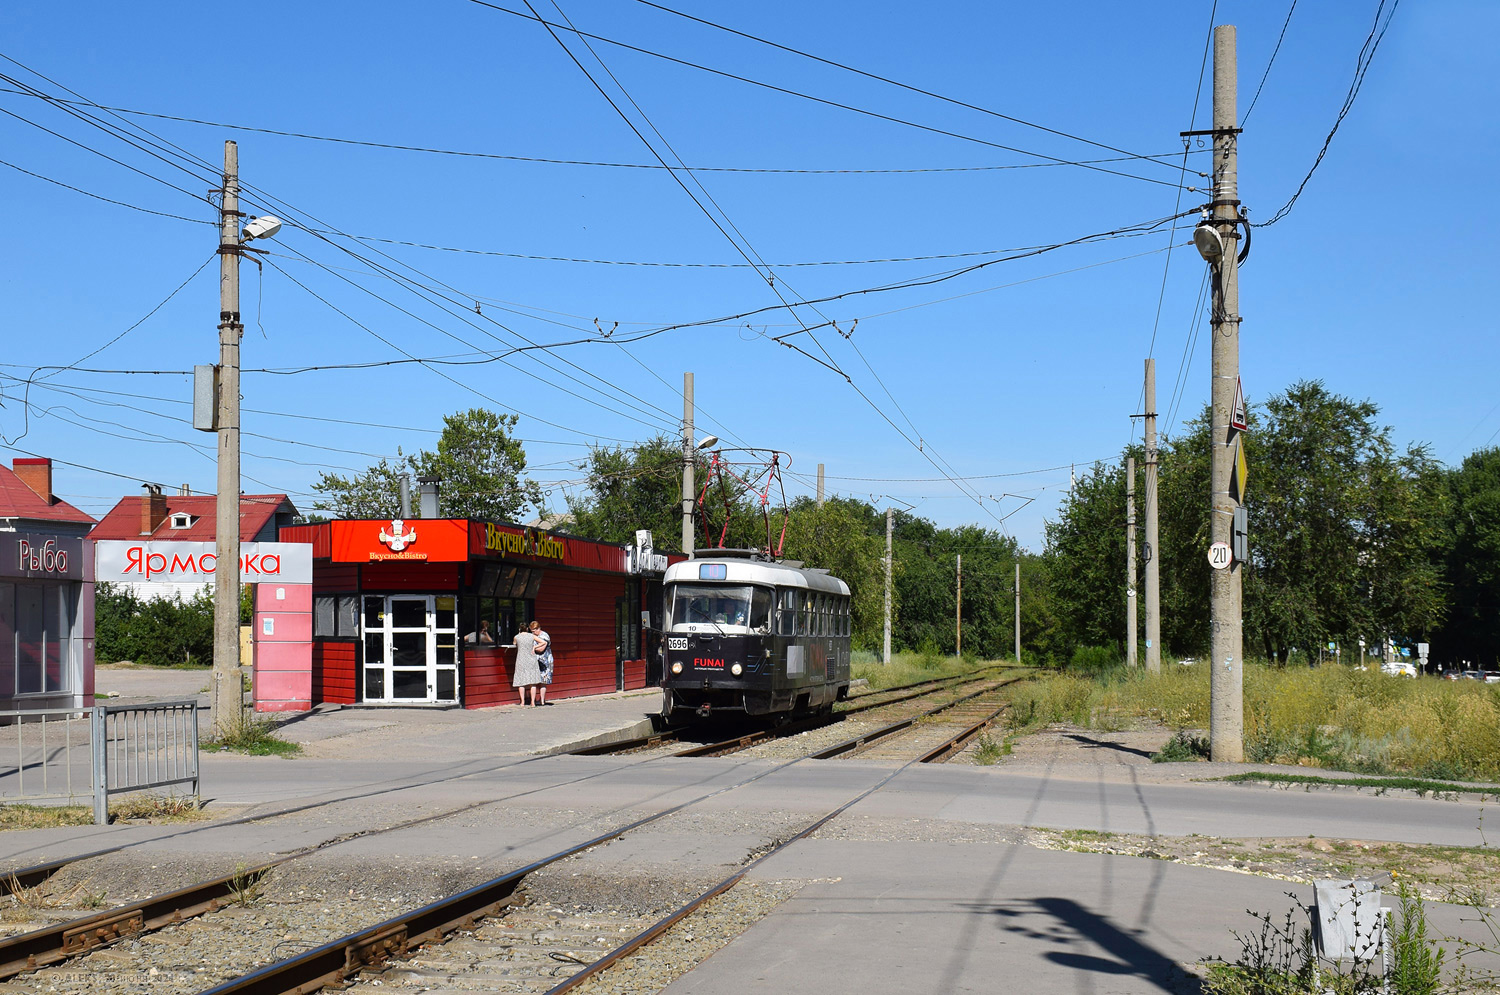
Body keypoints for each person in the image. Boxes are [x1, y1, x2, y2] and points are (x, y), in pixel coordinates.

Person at [511, 624, 543, 706]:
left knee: (521, 682)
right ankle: (533, 702)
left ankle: (522, 702)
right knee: (532, 682)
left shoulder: (516, 637)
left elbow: (514, 644)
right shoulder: (531, 636)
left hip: (521, 659)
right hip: (531, 659)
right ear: (527, 629)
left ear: (519, 629)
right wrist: (534, 647)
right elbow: (543, 642)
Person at [530, 620, 554, 706]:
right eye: (532, 631)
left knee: (543, 681)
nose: (533, 633)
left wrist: (532, 648)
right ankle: (534, 701)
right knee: (534, 681)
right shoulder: (533, 636)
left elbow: (541, 649)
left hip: (545, 660)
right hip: (536, 660)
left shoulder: (544, 636)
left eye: (534, 630)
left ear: (538, 628)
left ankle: (542, 701)